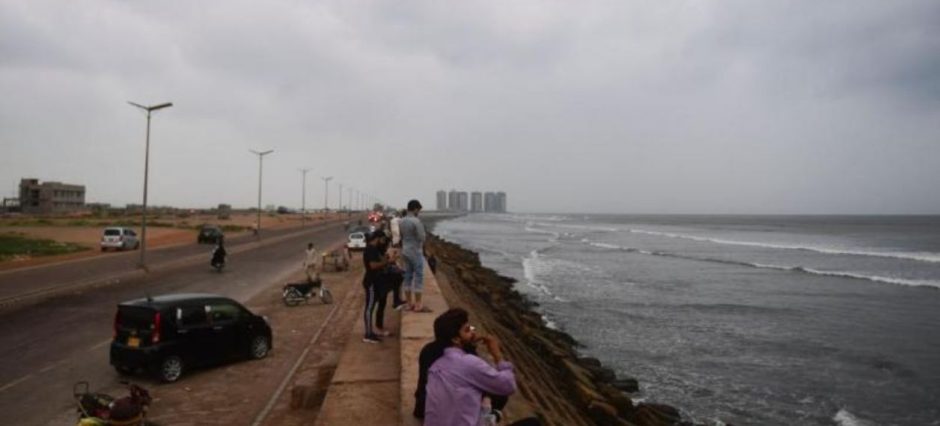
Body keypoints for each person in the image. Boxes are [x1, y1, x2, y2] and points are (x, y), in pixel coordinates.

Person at [424, 308, 518, 426]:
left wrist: (469, 341)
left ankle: (493, 415)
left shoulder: (436, 365)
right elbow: (508, 385)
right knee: (532, 423)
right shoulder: (468, 362)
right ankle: (494, 416)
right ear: (456, 339)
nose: (473, 333)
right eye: (467, 330)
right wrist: (497, 354)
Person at [400, 199, 430, 312]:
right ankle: (418, 304)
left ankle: (408, 303)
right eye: (419, 210)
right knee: (418, 277)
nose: (419, 212)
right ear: (415, 209)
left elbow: (402, 235)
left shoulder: (402, 221)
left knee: (407, 276)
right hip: (415, 251)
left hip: (405, 250)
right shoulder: (416, 221)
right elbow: (422, 237)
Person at [361, 230, 388, 343]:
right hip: (370, 282)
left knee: (372, 306)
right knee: (369, 308)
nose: (383, 242)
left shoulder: (374, 249)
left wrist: (386, 259)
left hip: (374, 281)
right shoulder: (370, 249)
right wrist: (385, 263)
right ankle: (368, 334)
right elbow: (372, 266)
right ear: (378, 238)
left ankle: (371, 331)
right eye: (382, 240)